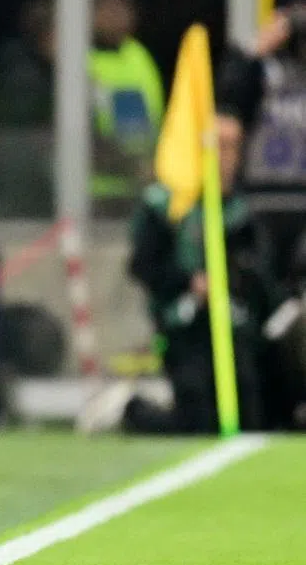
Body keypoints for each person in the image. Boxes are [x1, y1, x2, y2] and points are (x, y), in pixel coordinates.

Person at [78, 114, 277, 435]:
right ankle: (131, 409)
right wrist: (189, 282)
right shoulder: (166, 206)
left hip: (232, 324)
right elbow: (143, 265)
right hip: (183, 325)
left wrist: (238, 281)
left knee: (251, 414)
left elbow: (261, 273)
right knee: (197, 419)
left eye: (233, 148)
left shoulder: (241, 211)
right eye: (219, 147)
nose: (226, 158)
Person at [217, 0, 306, 283]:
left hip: (302, 195)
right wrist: (258, 47)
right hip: (260, 197)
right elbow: (227, 107)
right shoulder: (257, 68)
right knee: (262, 284)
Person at [88, 0, 166, 217]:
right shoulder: (80, 59)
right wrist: (130, 165)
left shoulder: (140, 57)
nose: (116, 15)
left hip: (141, 193)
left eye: (122, 6)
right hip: (96, 197)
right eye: (107, 6)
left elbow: (157, 121)